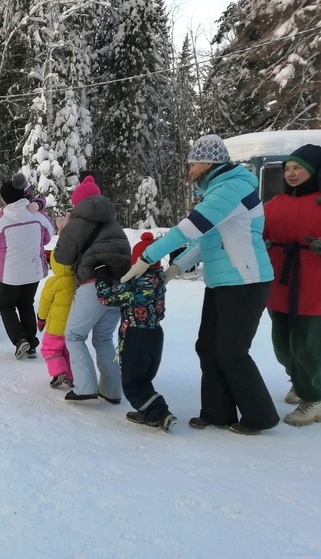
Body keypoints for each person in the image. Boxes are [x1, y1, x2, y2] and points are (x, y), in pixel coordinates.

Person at [122, 134, 279, 435]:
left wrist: (147, 257)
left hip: (247, 282)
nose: (190, 168)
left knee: (232, 352)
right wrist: (176, 268)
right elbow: (207, 237)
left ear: (209, 162)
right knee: (207, 347)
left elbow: (189, 229)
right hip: (222, 282)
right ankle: (217, 412)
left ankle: (260, 416)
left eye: (193, 163)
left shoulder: (231, 188)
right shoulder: (218, 190)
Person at [53, 175, 131, 404]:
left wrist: (64, 230)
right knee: (104, 338)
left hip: (93, 285)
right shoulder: (113, 223)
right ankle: (112, 390)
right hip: (119, 285)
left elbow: (62, 257)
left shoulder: (76, 223)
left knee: (75, 336)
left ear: (77, 203)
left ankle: (85, 387)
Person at [263, 144, 321, 427]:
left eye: (298, 168)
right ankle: (300, 381)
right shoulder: (274, 204)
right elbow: (255, 230)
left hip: (314, 285)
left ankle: (315, 395)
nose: (291, 174)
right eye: (287, 168)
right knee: (282, 344)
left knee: (308, 344)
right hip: (281, 283)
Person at [96, 232, 177, 432]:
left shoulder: (134, 285)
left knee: (132, 383)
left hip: (136, 337)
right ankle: (147, 413)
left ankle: (160, 413)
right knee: (143, 379)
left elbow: (106, 298)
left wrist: (102, 277)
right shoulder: (159, 281)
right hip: (155, 336)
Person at [0, 178, 54, 357]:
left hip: (10, 272)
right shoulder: (39, 216)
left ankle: (20, 340)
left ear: (5, 199)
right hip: (33, 270)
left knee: (6, 306)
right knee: (26, 305)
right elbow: (49, 236)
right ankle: (31, 344)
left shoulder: (1, 219)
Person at [37, 253, 76, 387]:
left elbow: (44, 303)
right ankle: (71, 377)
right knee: (67, 351)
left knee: (50, 349)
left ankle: (59, 373)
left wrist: (41, 318)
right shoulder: (78, 280)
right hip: (73, 325)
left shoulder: (53, 282)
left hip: (55, 327)